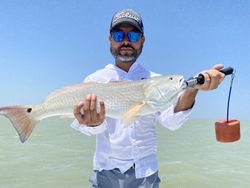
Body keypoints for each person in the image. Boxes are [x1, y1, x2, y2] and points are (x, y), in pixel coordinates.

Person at [71, 8, 225, 188]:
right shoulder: (94, 81)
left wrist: (192, 90)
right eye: (119, 35)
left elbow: (172, 122)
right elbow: (88, 130)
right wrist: (94, 124)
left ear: (142, 40)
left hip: (146, 174)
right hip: (105, 171)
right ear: (110, 39)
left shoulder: (155, 80)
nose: (126, 41)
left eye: (134, 36)